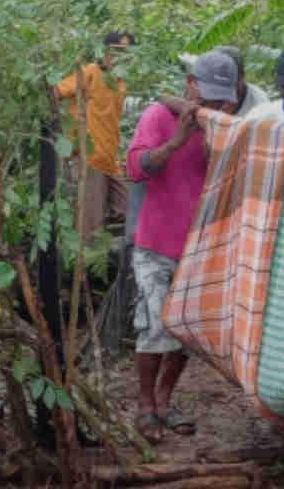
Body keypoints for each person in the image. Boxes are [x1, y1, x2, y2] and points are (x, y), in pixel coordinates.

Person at [126, 51, 238, 442]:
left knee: (184, 333)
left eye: (220, 99)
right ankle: (144, 406)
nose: (211, 105)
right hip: (155, 244)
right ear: (190, 84)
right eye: (206, 96)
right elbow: (137, 167)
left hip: (198, 249)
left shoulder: (223, 127)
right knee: (154, 327)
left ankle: (162, 402)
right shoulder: (158, 117)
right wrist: (177, 141)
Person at [55, 32, 134, 243]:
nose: (121, 56)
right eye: (117, 50)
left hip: (111, 158)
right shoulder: (90, 71)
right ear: (106, 50)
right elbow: (56, 92)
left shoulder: (120, 82)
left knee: (130, 210)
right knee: (90, 225)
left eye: (126, 52)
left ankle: (103, 256)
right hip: (90, 157)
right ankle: (86, 266)